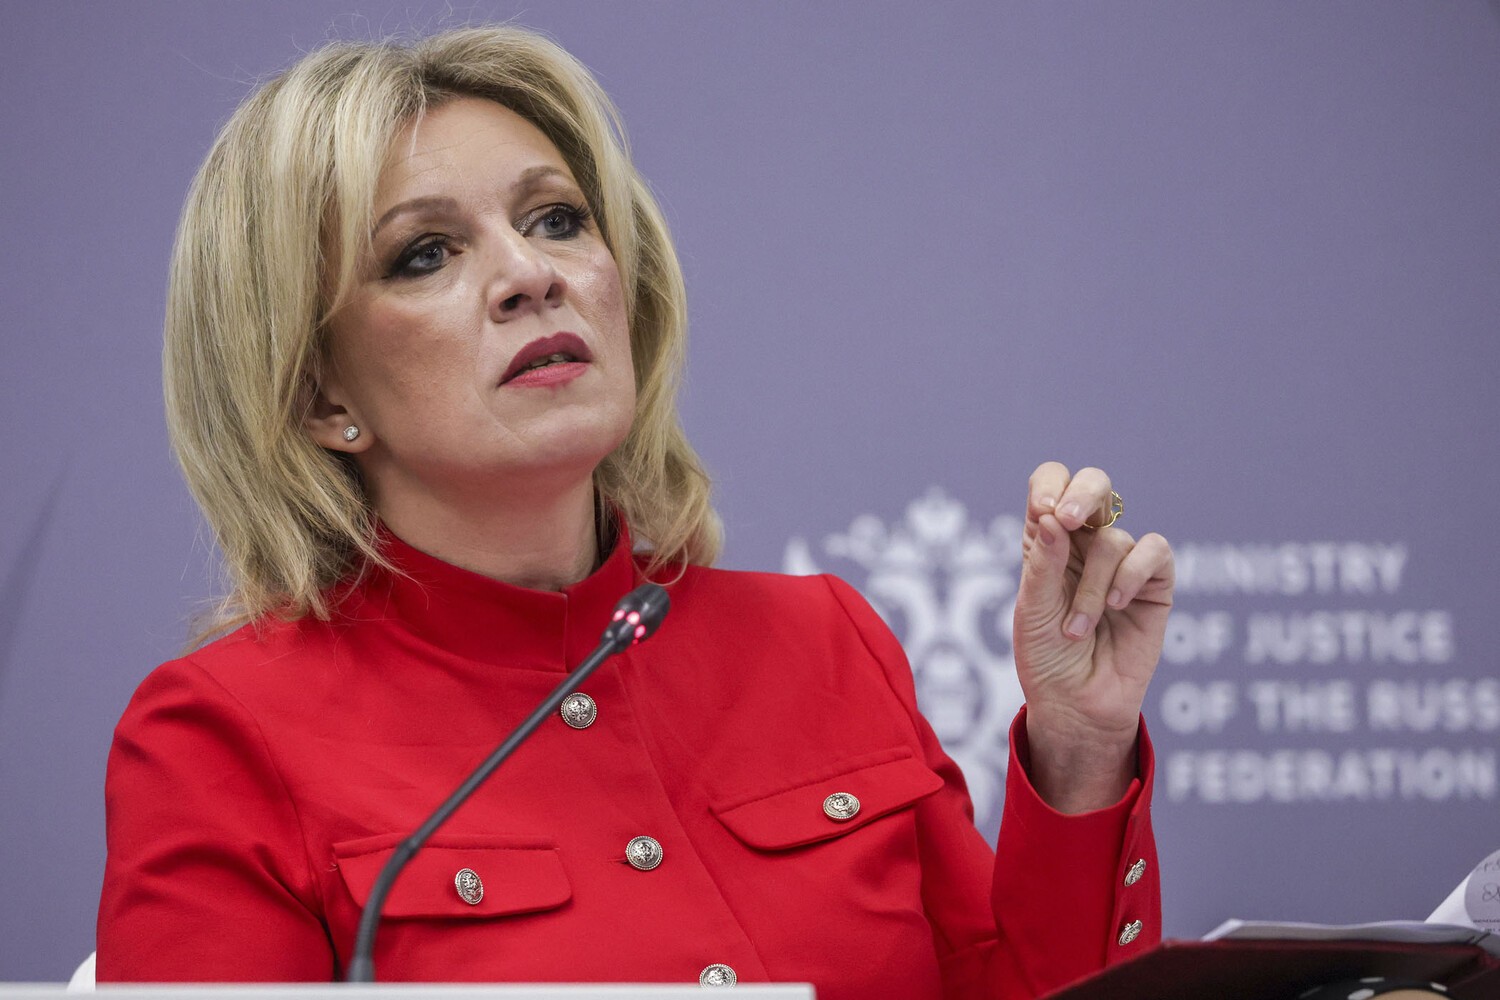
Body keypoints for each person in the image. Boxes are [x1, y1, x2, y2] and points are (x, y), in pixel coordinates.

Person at [96, 25, 1175, 1000]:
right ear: (318, 394)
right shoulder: (224, 738)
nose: (530, 274)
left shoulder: (823, 643)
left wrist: (1082, 744)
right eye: (425, 253)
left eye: (556, 220)